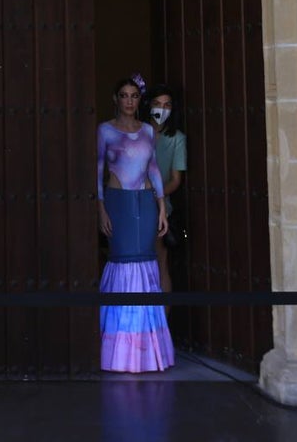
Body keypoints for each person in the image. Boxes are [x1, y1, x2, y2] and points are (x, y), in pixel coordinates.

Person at [97, 74, 175, 373]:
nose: (129, 101)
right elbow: (98, 172)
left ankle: (147, 351)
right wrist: (100, 209)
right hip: (118, 203)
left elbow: (153, 168)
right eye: (124, 95)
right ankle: (119, 352)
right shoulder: (104, 130)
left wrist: (161, 209)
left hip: (145, 201)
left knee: (146, 265)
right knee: (122, 262)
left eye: (134, 96)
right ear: (116, 99)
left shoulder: (146, 130)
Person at [146, 83, 187, 299]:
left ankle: (162, 321)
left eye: (167, 105)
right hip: (132, 204)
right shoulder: (138, 132)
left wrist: (157, 195)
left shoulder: (177, 139)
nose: (162, 109)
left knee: (160, 263)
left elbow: (176, 179)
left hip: (160, 207)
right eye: (157, 104)